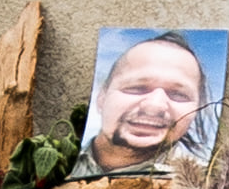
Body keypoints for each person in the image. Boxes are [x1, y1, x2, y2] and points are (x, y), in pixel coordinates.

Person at [71, 32, 212, 178]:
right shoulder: (60, 161)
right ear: (101, 97)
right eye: (136, 88)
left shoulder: (208, 186)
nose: (154, 106)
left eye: (178, 94)